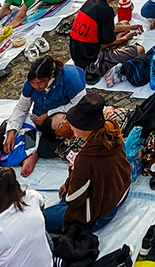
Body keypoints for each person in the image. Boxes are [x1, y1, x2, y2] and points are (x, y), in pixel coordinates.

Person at [40, 97, 130, 233]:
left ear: (85, 126)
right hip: (120, 191)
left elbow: (74, 200)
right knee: (62, 203)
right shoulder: (111, 131)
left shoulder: (86, 158)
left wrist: (73, 174)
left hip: (99, 213)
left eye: (73, 123)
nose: (70, 126)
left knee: (40, 219)